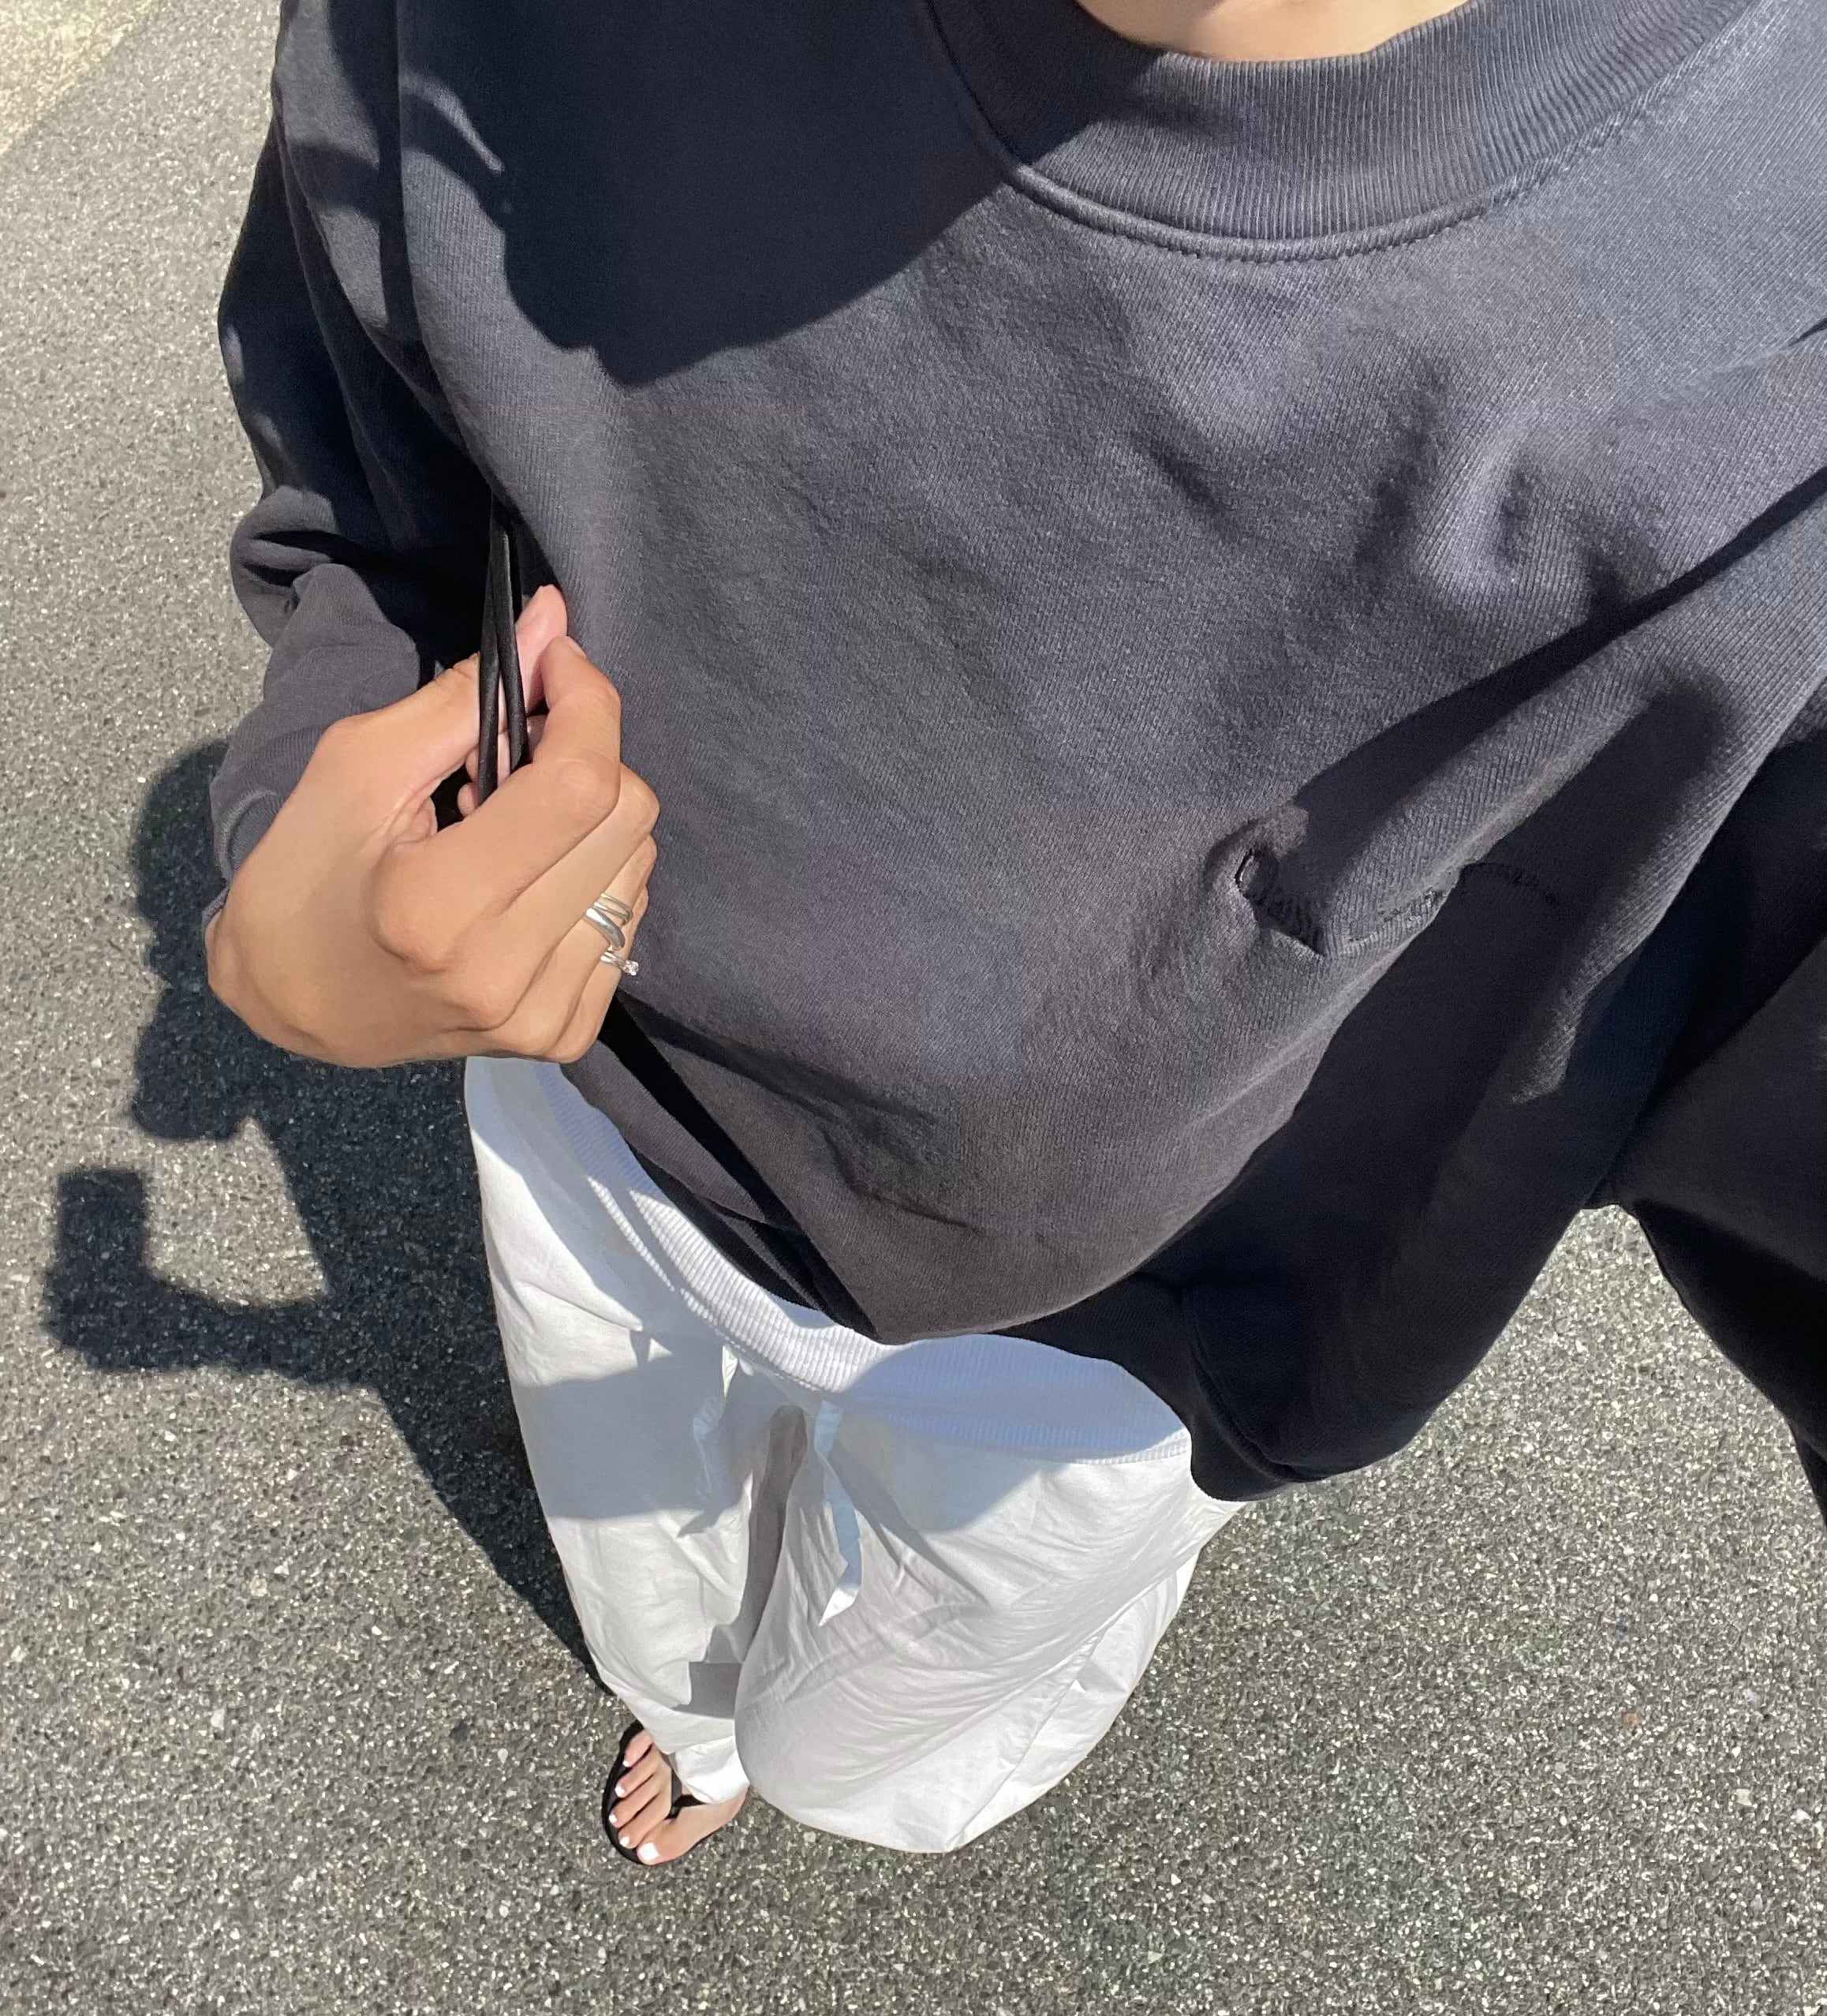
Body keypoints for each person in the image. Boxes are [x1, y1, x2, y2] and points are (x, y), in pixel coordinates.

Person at [205, 0, 1827, 1865]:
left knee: (878, 1732)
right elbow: (375, 493)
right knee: (663, 1597)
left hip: (1113, 1359)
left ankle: (796, 1754)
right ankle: (705, 1716)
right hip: (595, 1110)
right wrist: (290, 876)